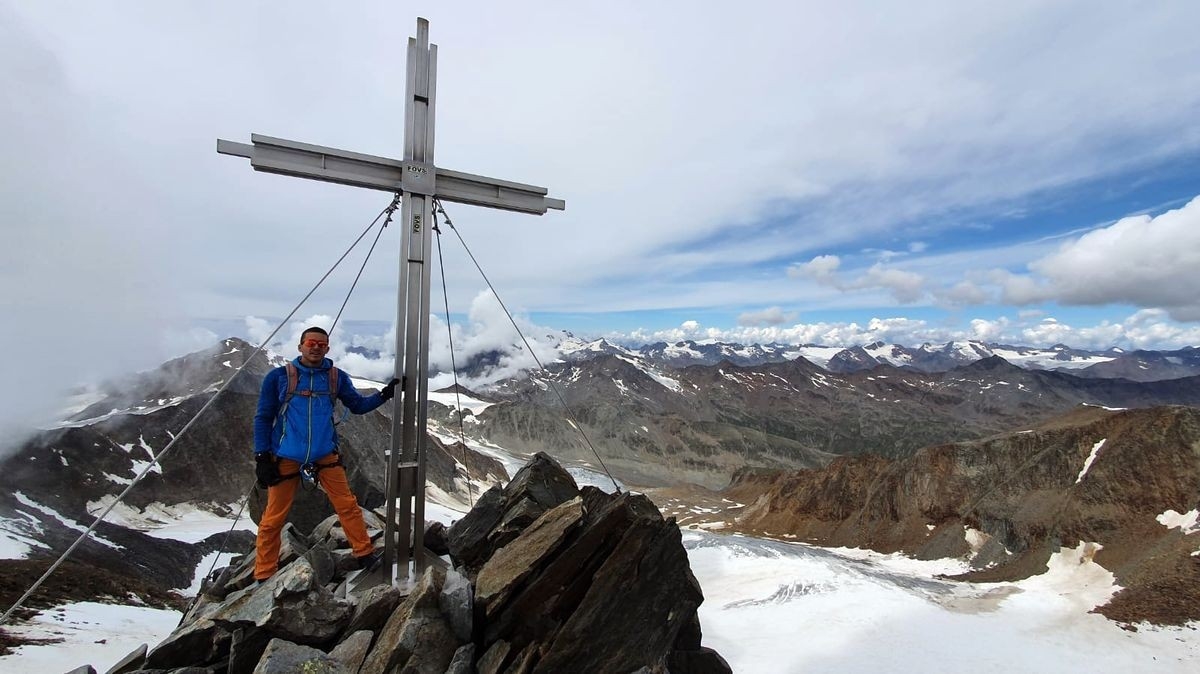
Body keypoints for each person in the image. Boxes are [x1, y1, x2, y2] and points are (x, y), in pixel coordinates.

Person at [252, 326, 398, 581]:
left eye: (322, 344)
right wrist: (262, 456)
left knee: (347, 505)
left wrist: (384, 395)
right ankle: (264, 572)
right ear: (300, 346)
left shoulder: (335, 377)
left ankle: (363, 552)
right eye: (311, 342)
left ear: (328, 348)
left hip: (324, 453)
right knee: (273, 517)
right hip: (285, 456)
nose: (316, 347)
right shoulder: (278, 378)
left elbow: (357, 405)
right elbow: (263, 417)